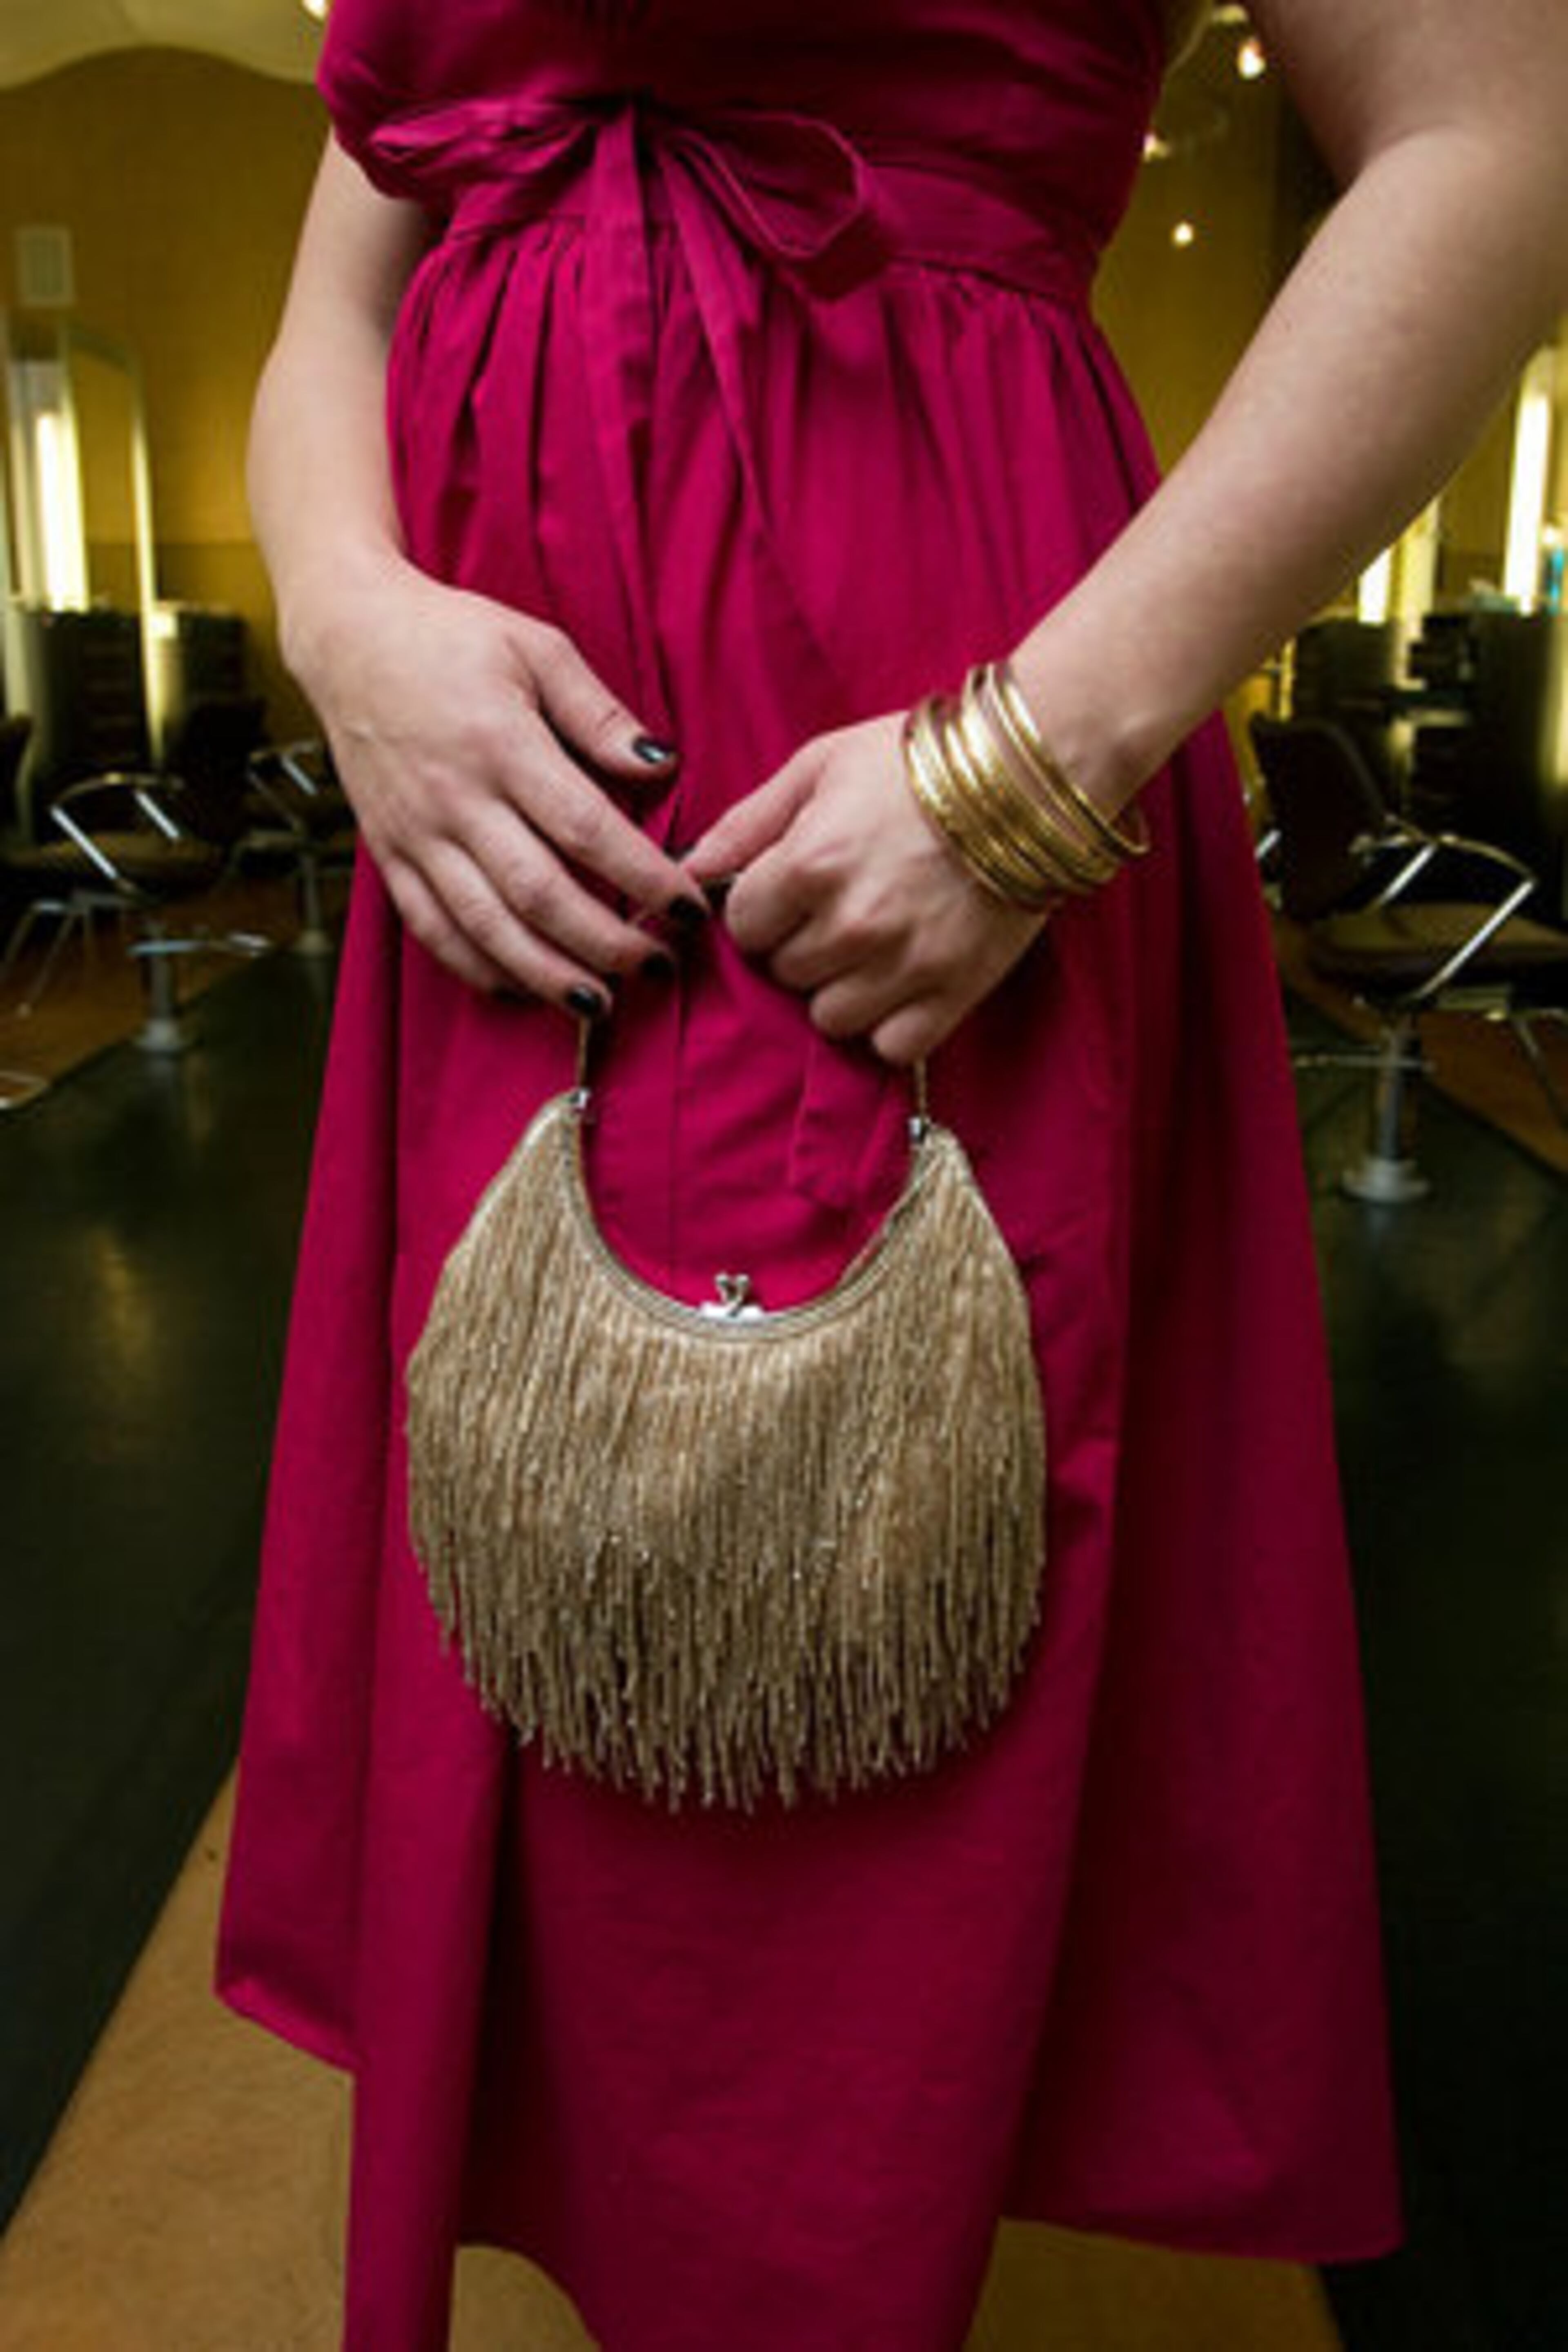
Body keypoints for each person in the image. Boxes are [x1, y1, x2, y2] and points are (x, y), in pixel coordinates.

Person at [215, 2, 1568, 2346]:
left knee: (829, 1710)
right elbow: (350, 277)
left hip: (907, 724)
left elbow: (1504, 129)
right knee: (539, 1629)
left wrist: (1035, 759)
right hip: (498, 799)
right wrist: (344, 618)